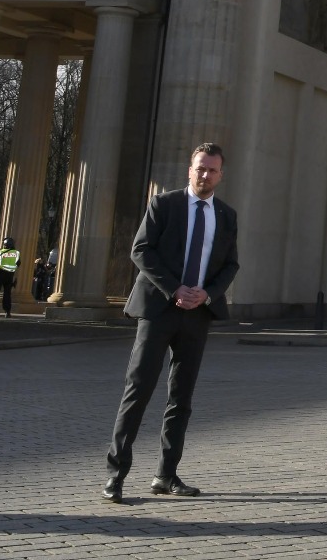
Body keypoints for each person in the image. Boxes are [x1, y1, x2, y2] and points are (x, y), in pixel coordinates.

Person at [104, 143, 239, 502]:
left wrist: (206, 295)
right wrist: (174, 288)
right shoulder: (164, 205)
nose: (204, 175)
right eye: (199, 168)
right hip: (159, 310)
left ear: (221, 175)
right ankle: (116, 475)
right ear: (189, 170)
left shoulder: (226, 215)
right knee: (138, 391)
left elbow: (230, 265)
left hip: (197, 315)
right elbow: (141, 250)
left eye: (211, 170)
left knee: (182, 398)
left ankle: (166, 475)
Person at [0, 235, 19, 315]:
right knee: (7, 294)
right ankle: (7, 312)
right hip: (9, 275)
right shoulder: (16, 253)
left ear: (4, 244)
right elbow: (18, 263)